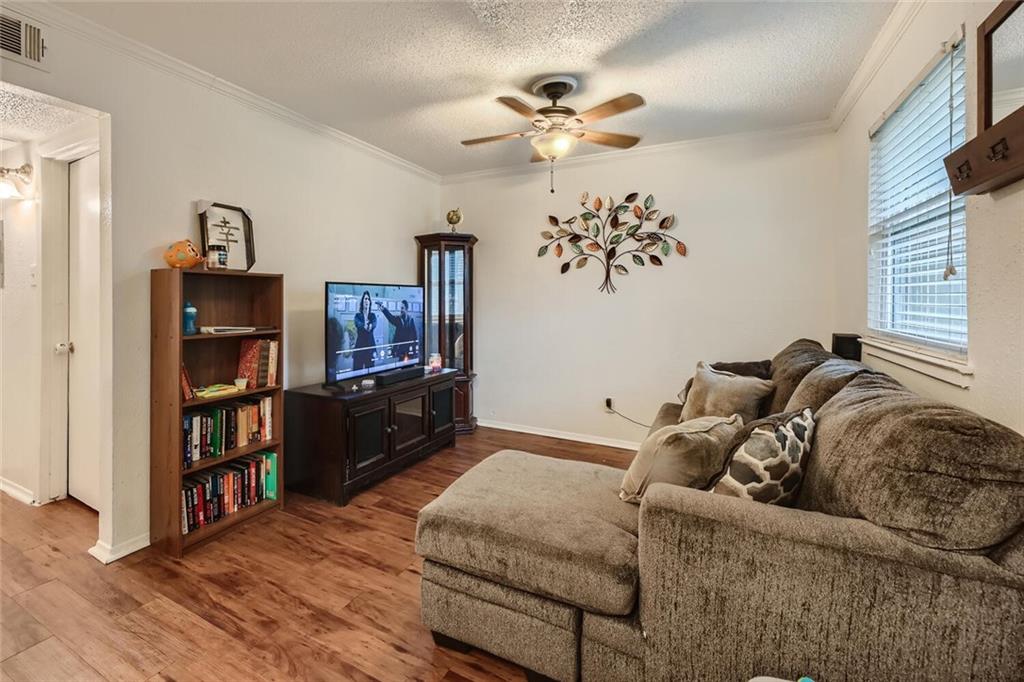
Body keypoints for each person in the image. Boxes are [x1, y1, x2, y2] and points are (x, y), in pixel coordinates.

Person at [352, 290, 377, 371]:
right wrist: (365, 312)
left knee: (371, 373)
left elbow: (373, 325)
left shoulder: (373, 316)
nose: (367, 301)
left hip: (370, 349)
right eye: (365, 299)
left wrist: (368, 311)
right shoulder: (357, 316)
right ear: (362, 301)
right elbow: (362, 326)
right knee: (357, 372)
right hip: (360, 349)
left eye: (368, 299)